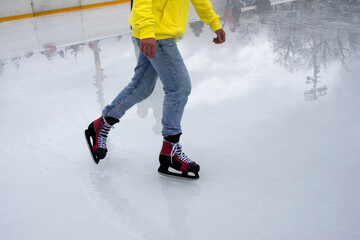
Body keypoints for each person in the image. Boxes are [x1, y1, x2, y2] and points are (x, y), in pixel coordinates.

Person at [85, 0, 226, 179]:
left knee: (141, 87)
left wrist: (214, 23)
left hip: (158, 31)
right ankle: (170, 150)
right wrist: (147, 31)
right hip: (154, 33)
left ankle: (101, 124)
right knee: (179, 87)